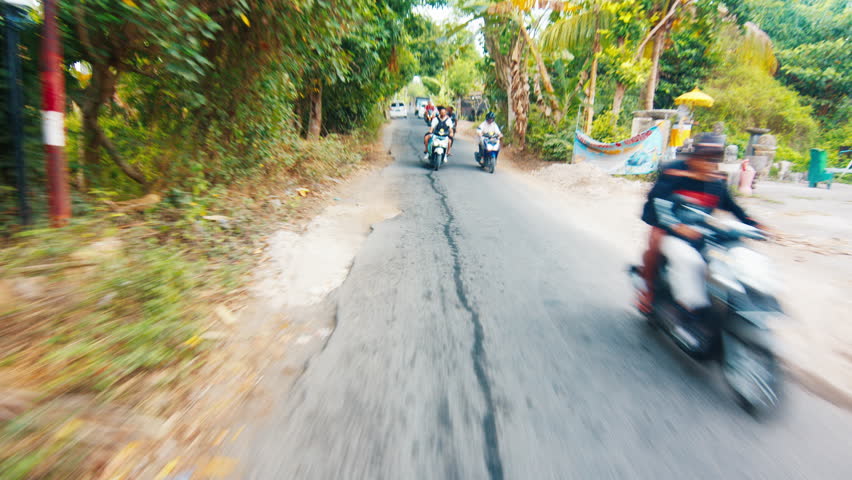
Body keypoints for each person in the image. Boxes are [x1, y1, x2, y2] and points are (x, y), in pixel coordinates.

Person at [637, 132, 764, 318]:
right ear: (694, 155)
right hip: (664, 223)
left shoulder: (717, 181)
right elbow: (658, 200)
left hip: (699, 227)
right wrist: (675, 225)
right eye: (704, 157)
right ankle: (649, 291)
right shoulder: (673, 171)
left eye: (714, 158)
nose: (709, 163)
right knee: (656, 242)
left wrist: (755, 224)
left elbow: (731, 206)